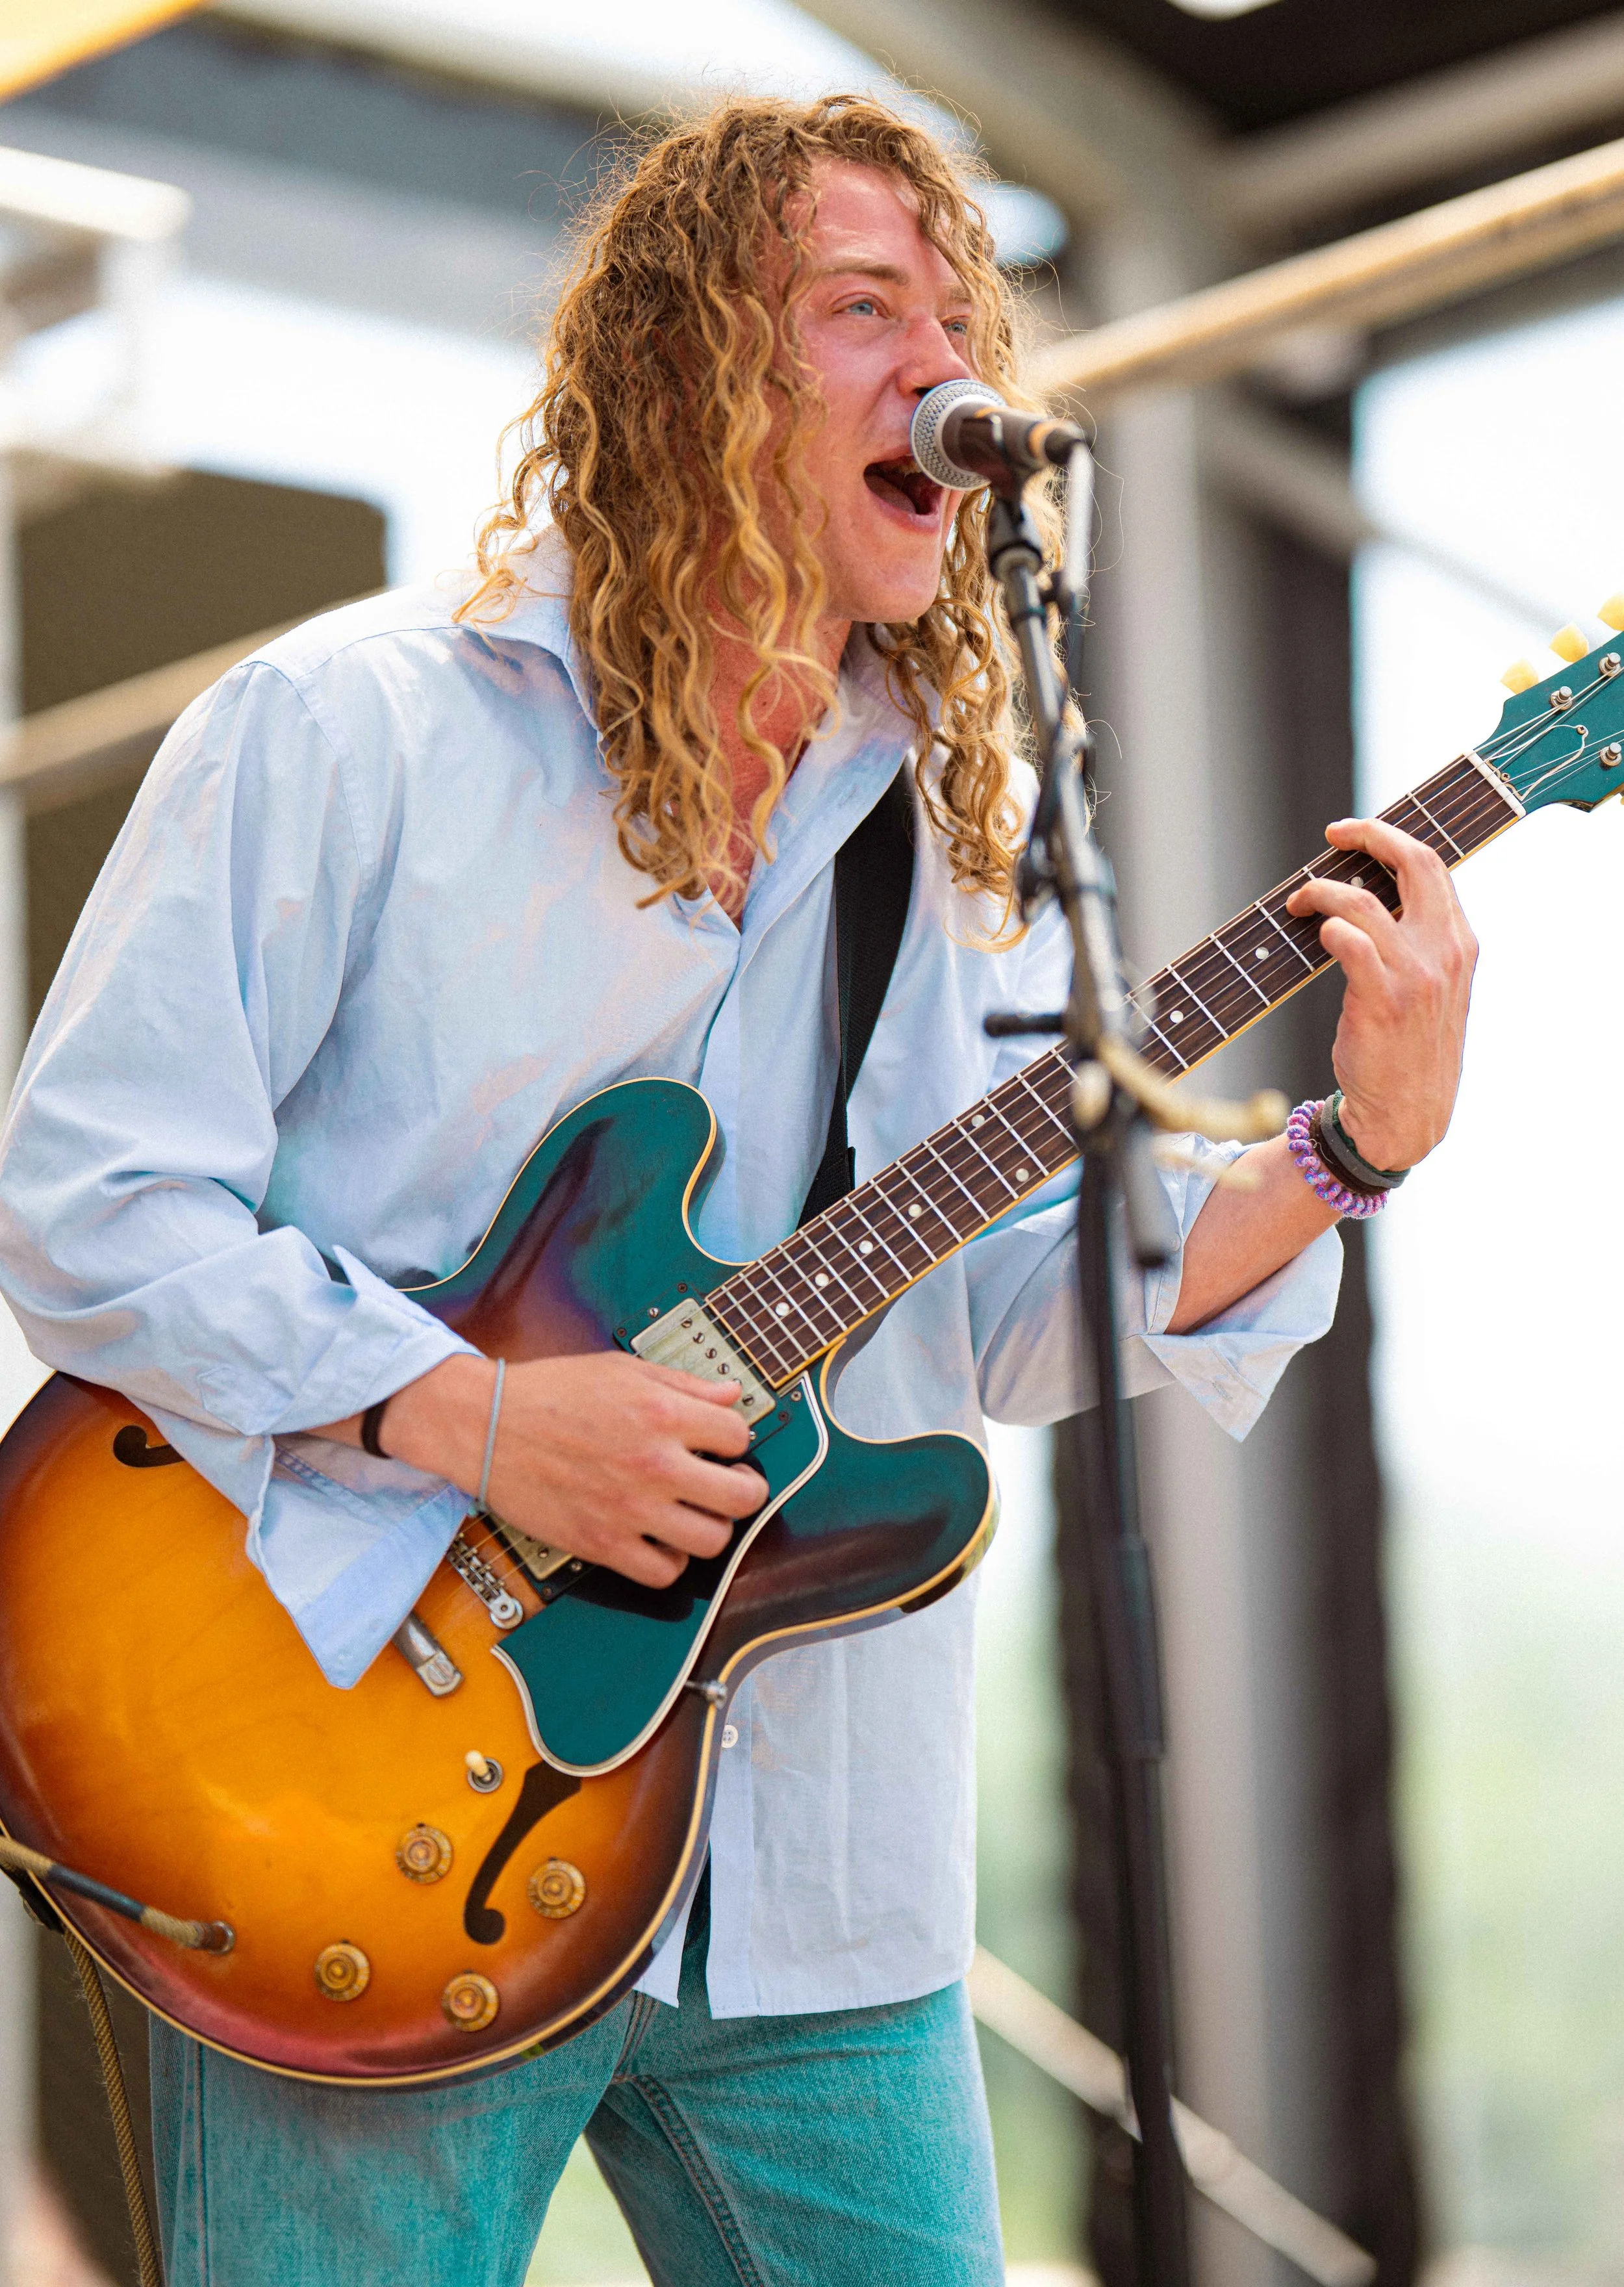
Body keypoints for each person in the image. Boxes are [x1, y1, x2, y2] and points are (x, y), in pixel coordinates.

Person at [0, 93, 1474, 2287]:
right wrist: (480, 1417)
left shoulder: (953, 843)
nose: (946, 369)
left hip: (819, 1879)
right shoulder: (351, 730)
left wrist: (1341, 1148)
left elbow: (988, 1317)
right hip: (341, 1809)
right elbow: (87, 1200)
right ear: (692, 368)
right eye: (865, 312)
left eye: (965, 318)